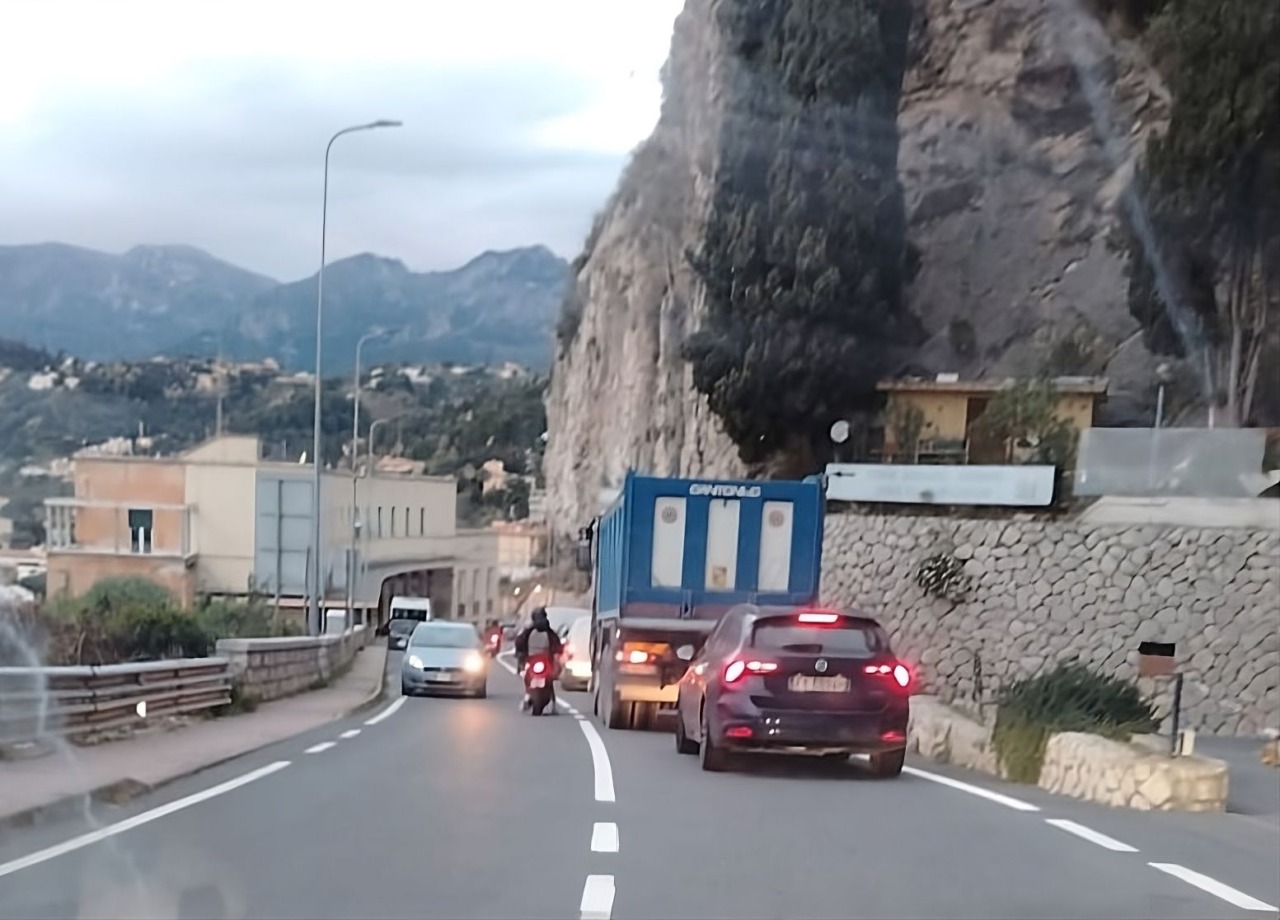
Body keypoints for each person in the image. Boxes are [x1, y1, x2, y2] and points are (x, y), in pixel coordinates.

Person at [514, 607, 563, 711]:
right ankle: (531, 695)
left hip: (541, 662)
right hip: (535, 662)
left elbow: (519, 643)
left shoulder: (531, 631)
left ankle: (530, 696)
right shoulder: (546, 632)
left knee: (547, 677)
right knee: (528, 675)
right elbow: (520, 643)